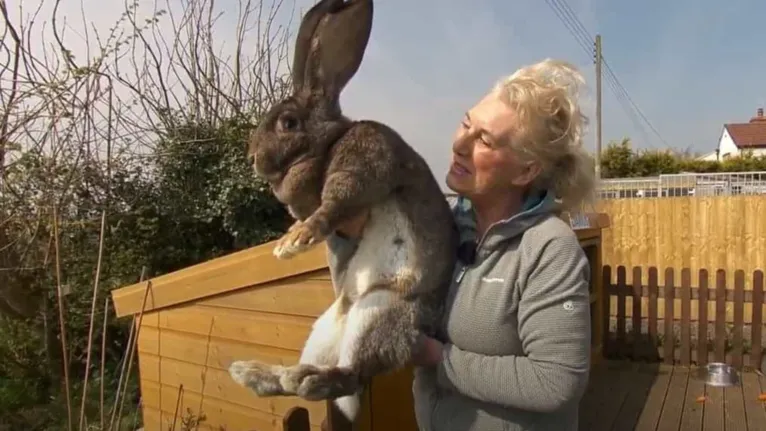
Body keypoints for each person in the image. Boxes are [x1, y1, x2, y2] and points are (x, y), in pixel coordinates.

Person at [331, 58, 595, 431]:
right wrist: (343, 233)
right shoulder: (444, 225)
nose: (459, 144)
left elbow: (556, 381)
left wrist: (436, 357)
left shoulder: (549, 248)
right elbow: (365, 286)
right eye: (466, 124)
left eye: (484, 140)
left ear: (525, 171)